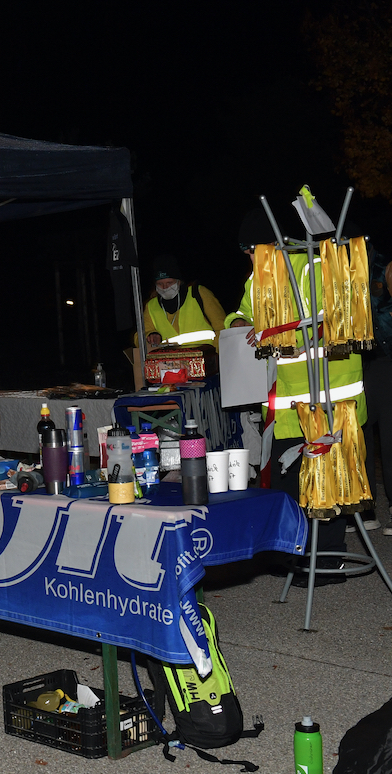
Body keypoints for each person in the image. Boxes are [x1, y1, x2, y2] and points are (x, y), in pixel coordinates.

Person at [226, 209, 367, 583]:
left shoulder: (312, 265)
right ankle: (296, 556)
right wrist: (239, 323)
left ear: (271, 245)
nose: (248, 257)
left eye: (251, 249)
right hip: (287, 403)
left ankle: (328, 561)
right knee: (290, 484)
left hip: (330, 395)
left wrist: (279, 336)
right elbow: (240, 314)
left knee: (329, 478)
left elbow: (332, 320)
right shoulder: (260, 275)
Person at [139, 253, 226, 351]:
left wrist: (217, 355)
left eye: (169, 283)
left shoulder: (199, 294)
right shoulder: (151, 306)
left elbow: (222, 327)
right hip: (172, 364)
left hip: (206, 360)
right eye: (160, 284)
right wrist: (150, 335)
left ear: (179, 281)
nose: (164, 287)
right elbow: (139, 336)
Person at [364, 240, 392, 535]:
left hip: (385, 359)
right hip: (355, 362)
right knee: (360, 435)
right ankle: (366, 505)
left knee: (389, 434)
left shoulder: (383, 264)